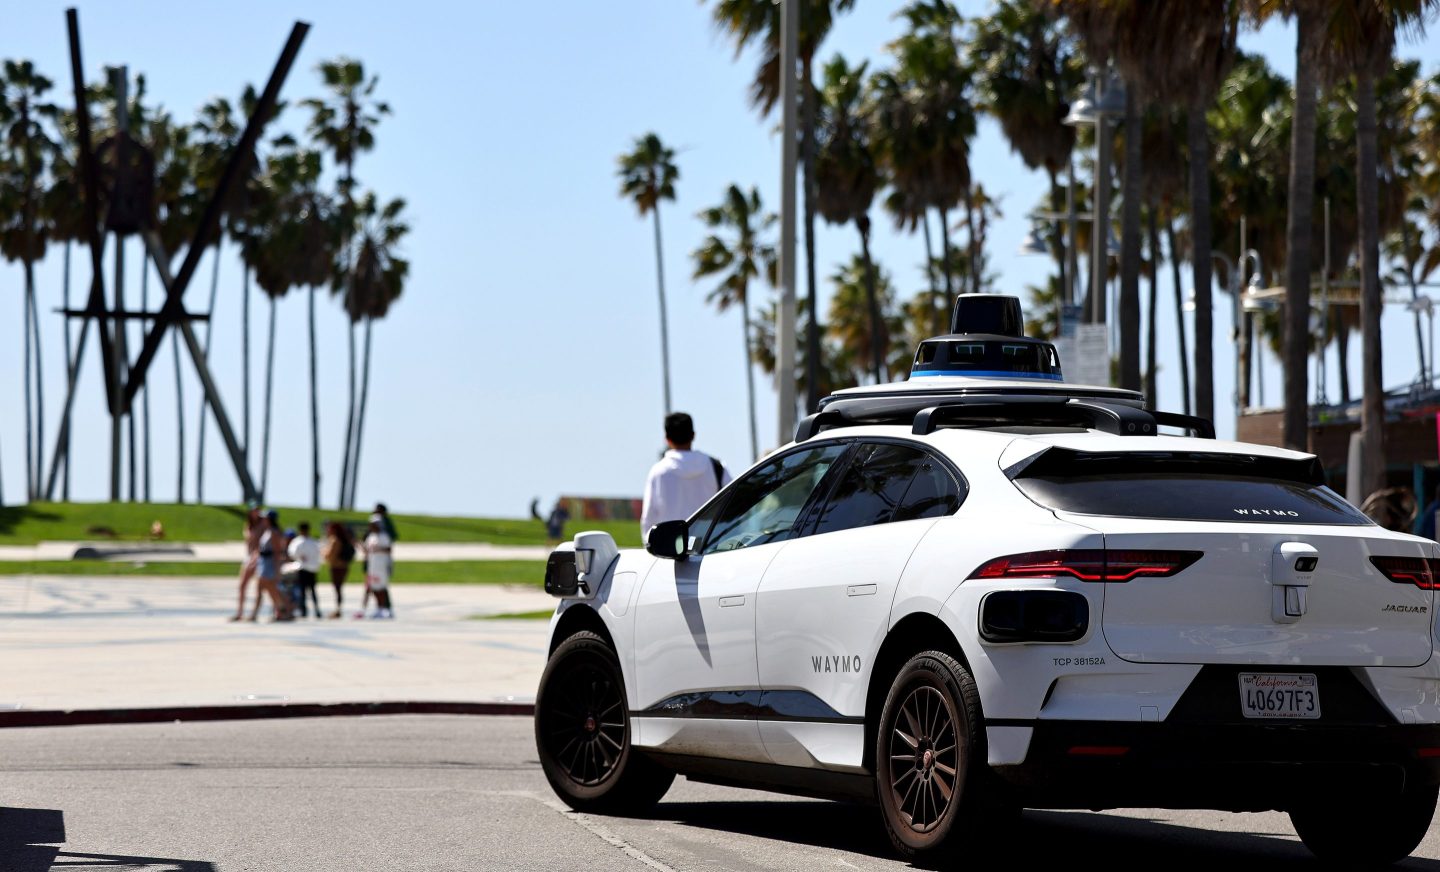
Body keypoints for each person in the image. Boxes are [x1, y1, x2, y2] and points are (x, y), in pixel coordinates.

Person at [640, 412, 732, 535]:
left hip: (670, 548)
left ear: (667, 438)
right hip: (709, 545)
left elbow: (648, 518)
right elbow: (732, 504)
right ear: (693, 435)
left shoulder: (658, 472)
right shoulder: (716, 467)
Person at [251, 509, 293, 622]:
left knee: (272, 590)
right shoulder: (267, 531)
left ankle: (283, 611)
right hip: (263, 562)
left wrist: (277, 569)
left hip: (269, 564)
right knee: (266, 589)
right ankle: (278, 611)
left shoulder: (274, 532)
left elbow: (277, 552)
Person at [229, 506, 262, 622]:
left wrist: (256, 556)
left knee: (260, 587)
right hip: (248, 557)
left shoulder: (263, 525)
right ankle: (240, 612)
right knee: (242, 586)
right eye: (254, 510)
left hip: (258, 558)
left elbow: (262, 544)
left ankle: (254, 613)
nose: (256, 513)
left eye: (258, 510)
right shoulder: (248, 525)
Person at [361, 516, 395, 619]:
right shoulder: (370, 537)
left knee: (382, 588)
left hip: (382, 566)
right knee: (373, 588)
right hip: (372, 566)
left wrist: (378, 549)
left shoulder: (384, 536)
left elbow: (389, 549)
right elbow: (367, 550)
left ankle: (385, 608)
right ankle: (378, 608)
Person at [287, 521, 323, 619]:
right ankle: (316, 609)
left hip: (303, 568)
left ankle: (304, 610)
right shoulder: (313, 542)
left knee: (303, 591)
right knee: (312, 590)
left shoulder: (298, 541)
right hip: (312, 568)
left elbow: (292, 553)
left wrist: (299, 557)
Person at [322, 520, 357, 619]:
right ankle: (338, 609)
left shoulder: (335, 540)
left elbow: (330, 555)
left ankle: (338, 610)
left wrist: (324, 553)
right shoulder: (343, 539)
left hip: (336, 567)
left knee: (337, 589)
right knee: (339, 588)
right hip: (344, 566)